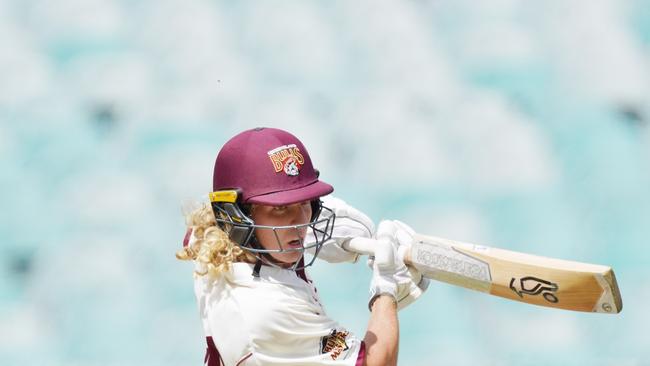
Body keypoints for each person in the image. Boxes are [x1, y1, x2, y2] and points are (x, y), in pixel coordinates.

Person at [177, 127, 429, 365]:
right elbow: (377, 362)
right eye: (281, 208)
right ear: (237, 216)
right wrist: (386, 290)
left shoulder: (211, 242)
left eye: (305, 203)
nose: (300, 223)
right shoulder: (268, 309)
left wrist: (301, 235)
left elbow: (203, 223)